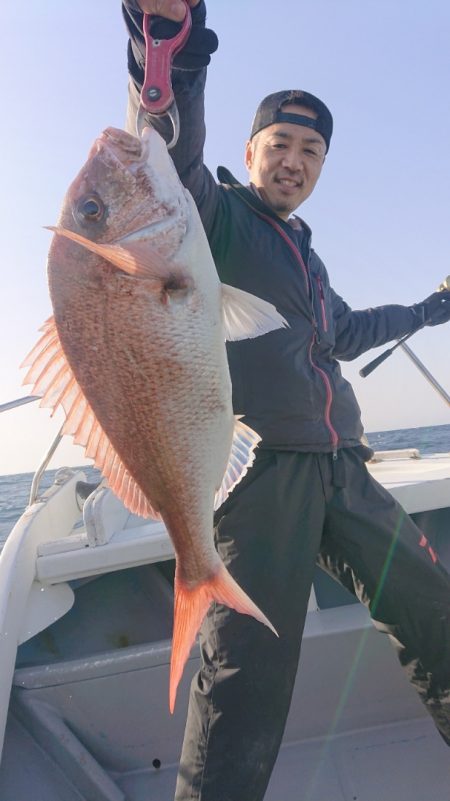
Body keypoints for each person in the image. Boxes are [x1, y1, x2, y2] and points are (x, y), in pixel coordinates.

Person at [121, 2, 450, 799]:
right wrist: (167, 50)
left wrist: (435, 307)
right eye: (280, 144)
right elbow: (168, 151)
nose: (294, 160)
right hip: (264, 476)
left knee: (433, 607)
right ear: (252, 151)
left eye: (311, 150)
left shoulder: (305, 255)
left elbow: (346, 328)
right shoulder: (215, 216)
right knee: (245, 681)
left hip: (344, 467)